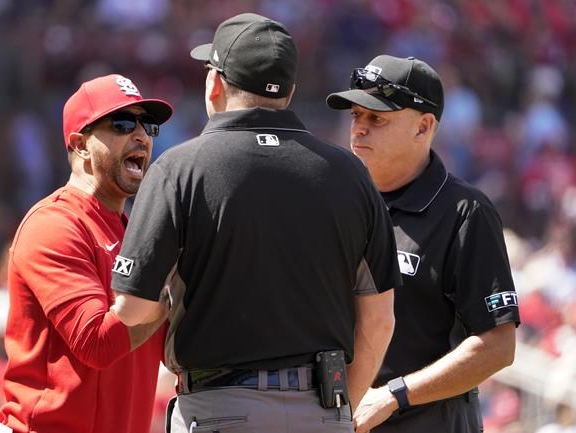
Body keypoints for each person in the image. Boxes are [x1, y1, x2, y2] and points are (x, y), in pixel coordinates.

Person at [110, 13, 401, 433]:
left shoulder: (179, 168)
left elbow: (132, 309)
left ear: (214, 83)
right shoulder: (350, 173)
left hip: (218, 407)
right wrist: (339, 415)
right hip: (321, 409)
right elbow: (380, 320)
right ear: (290, 91)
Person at [326, 55, 520, 433]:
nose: (359, 129)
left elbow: (499, 345)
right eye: (356, 116)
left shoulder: (466, 212)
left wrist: (394, 394)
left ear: (424, 127)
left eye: (376, 118)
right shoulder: (333, 201)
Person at [0, 74, 173, 433]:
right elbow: (97, 343)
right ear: (80, 144)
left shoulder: (133, 230)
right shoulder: (53, 225)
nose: (140, 135)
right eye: (123, 123)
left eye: (147, 125)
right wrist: (170, 295)